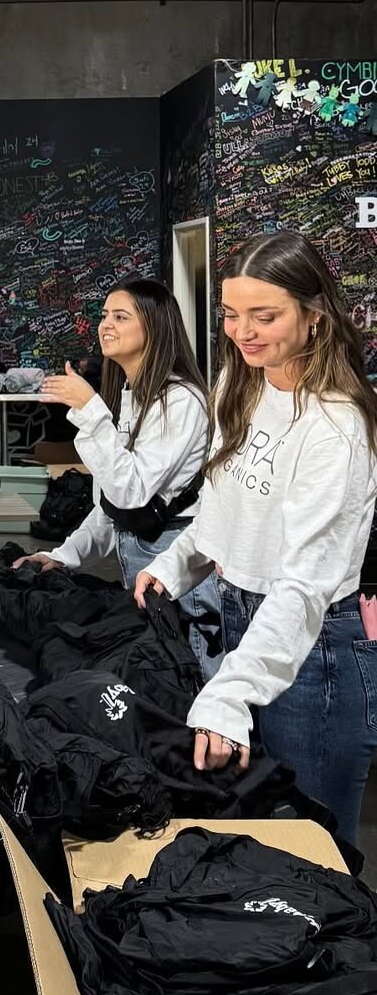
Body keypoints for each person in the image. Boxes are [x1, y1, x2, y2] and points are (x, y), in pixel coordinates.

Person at [134, 231, 377, 843]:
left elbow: (305, 584)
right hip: (242, 620)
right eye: (231, 314)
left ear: (314, 315)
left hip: (312, 646)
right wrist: (177, 563)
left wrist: (231, 693)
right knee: (263, 832)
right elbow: (223, 509)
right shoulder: (240, 385)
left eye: (264, 317)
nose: (243, 332)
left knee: (316, 845)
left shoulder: (335, 427)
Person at [13, 278, 220, 675]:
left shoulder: (180, 400)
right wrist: (62, 556)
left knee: (191, 681)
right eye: (105, 315)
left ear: (155, 326)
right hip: (144, 571)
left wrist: (91, 412)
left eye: (121, 317)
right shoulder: (132, 394)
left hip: (180, 573)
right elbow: (112, 505)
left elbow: (131, 491)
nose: (106, 324)